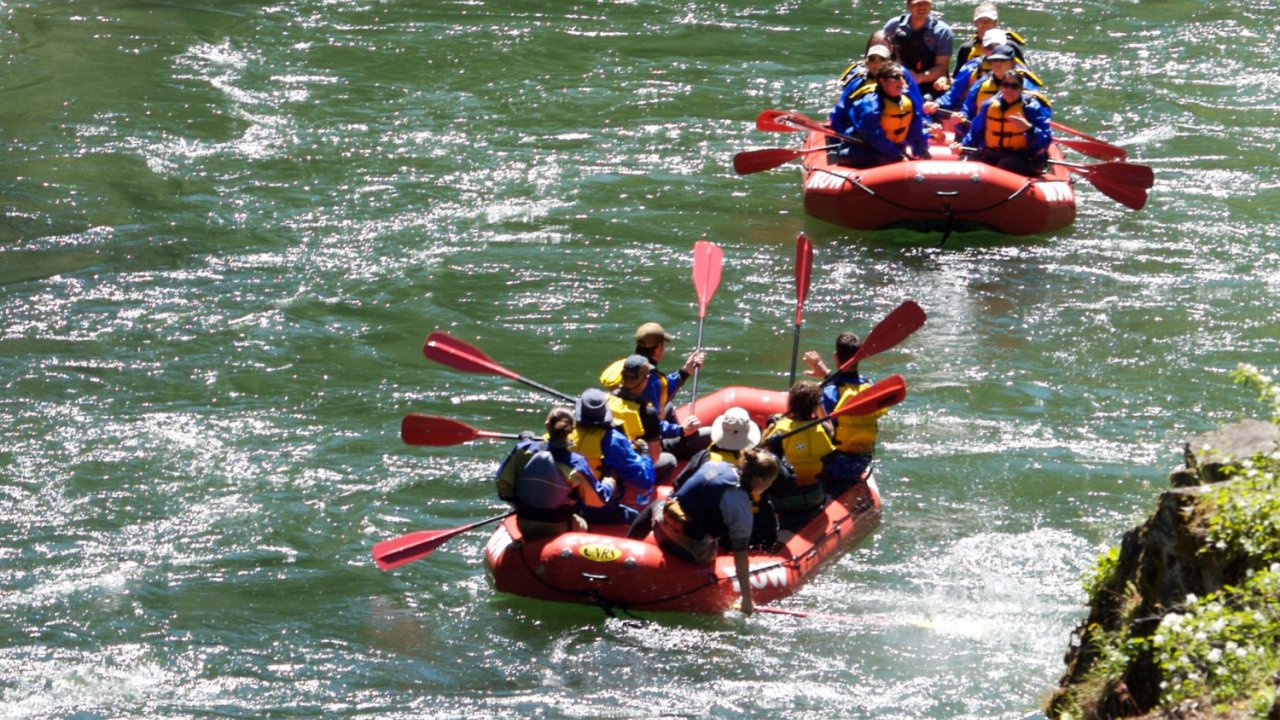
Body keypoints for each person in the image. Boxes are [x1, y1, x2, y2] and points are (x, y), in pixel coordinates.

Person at [629, 448, 781, 615]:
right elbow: (740, 554)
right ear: (759, 480)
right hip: (689, 550)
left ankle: (628, 543)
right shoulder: (740, 502)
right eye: (770, 482)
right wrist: (746, 599)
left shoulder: (715, 465)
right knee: (717, 542)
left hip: (662, 526)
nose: (770, 486)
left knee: (656, 505)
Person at [494, 407, 618, 538]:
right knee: (584, 524)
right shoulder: (576, 462)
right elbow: (597, 500)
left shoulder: (523, 450)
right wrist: (609, 483)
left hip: (524, 523)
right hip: (558, 525)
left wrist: (518, 503)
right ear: (572, 429)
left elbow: (503, 484)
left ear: (547, 425)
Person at [600, 322, 709, 459]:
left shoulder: (630, 367)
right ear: (658, 348)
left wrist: (684, 372)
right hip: (642, 439)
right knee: (707, 434)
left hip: (625, 424)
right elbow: (650, 420)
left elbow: (661, 390)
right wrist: (681, 430)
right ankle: (672, 453)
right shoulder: (649, 379)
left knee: (667, 407)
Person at [802, 332, 889, 497]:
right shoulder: (870, 387)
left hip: (833, 467)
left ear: (835, 356)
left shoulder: (828, 393)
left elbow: (819, 429)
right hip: (862, 461)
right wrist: (827, 375)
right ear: (861, 357)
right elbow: (847, 388)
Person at [762, 381, 839, 532]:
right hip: (815, 495)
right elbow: (829, 425)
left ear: (791, 403)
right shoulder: (823, 428)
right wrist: (819, 405)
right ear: (815, 405)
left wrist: (770, 426)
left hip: (784, 501)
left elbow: (761, 450)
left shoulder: (779, 427)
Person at [570, 387, 653, 517]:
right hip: (600, 508)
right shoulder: (613, 440)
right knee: (636, 517)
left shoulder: (563, 434)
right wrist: (645, 454)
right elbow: (644, 481)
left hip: (569, 504)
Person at [955, 68, 1053, 176]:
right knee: (972, 162)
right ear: (1001, 87)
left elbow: (1045, 140)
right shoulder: (988, 105)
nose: (1009, 89)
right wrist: (963, 147)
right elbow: (975, 133)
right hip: (993, 153)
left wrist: (1030, 129)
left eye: (1014, 86)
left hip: (1025, 158)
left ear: (1021, 88)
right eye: (1005, 85)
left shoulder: (1032, 108)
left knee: (1006, 164)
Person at [837, 62, 932, 168]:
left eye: (902, 77)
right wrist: (898, 156)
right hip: (861, 149)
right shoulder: (870, 104)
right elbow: (874, 137)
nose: (901, 81)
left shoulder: (907, 102)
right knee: (889, 161)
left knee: (912, 158)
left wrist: (921, 151)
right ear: (882, 81)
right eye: (896, 77)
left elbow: (916, 131)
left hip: (892, 148)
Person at [609, 354, 678, 485]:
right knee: (670, 460)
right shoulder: (647, 412)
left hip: (611, 458)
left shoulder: (606, 398)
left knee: (668, 407)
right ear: (645, 379)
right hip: (630, 467)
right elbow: (654, 456)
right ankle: (647, 494)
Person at [956, 43, 1046, 128]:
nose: (997, 63)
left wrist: (1030, 129)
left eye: (1002, 60)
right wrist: (963, 115)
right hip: (985, 136)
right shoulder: (981, 83)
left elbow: (1041, 118)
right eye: (994, 60)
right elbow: (968, 107)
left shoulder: (1026, 85)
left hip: (1020, 139)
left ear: (1012, 63)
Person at [882, 0, 954, 100]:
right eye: (917, 3)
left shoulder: (942, 31)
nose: (921, 7)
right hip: (897, 78)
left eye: (925, 3)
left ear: (930, 5)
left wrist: (919, 77)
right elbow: (882, 54)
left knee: (924, 101)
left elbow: (942, 66)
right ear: (909, 6)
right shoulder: (893, 26)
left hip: (929, 82)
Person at [950, 2, 1028, 78]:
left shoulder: (1010, 47)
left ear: (996, 22)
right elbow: (957, 76)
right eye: (981, 21)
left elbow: (1025, 73)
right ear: (975, 23)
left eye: (989, 21)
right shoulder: (966, 48)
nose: (985, 24)